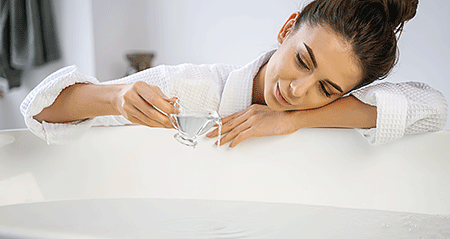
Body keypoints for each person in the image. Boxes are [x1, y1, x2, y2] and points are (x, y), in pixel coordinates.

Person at [21, 0, 447, 147]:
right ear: (286, 29)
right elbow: (38, 109)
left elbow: (433, 107)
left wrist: (292, 121)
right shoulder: (194, 90)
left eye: (327, 89)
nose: (298, 91)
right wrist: (115, 98)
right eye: (302, 60)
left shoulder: (333, 115)